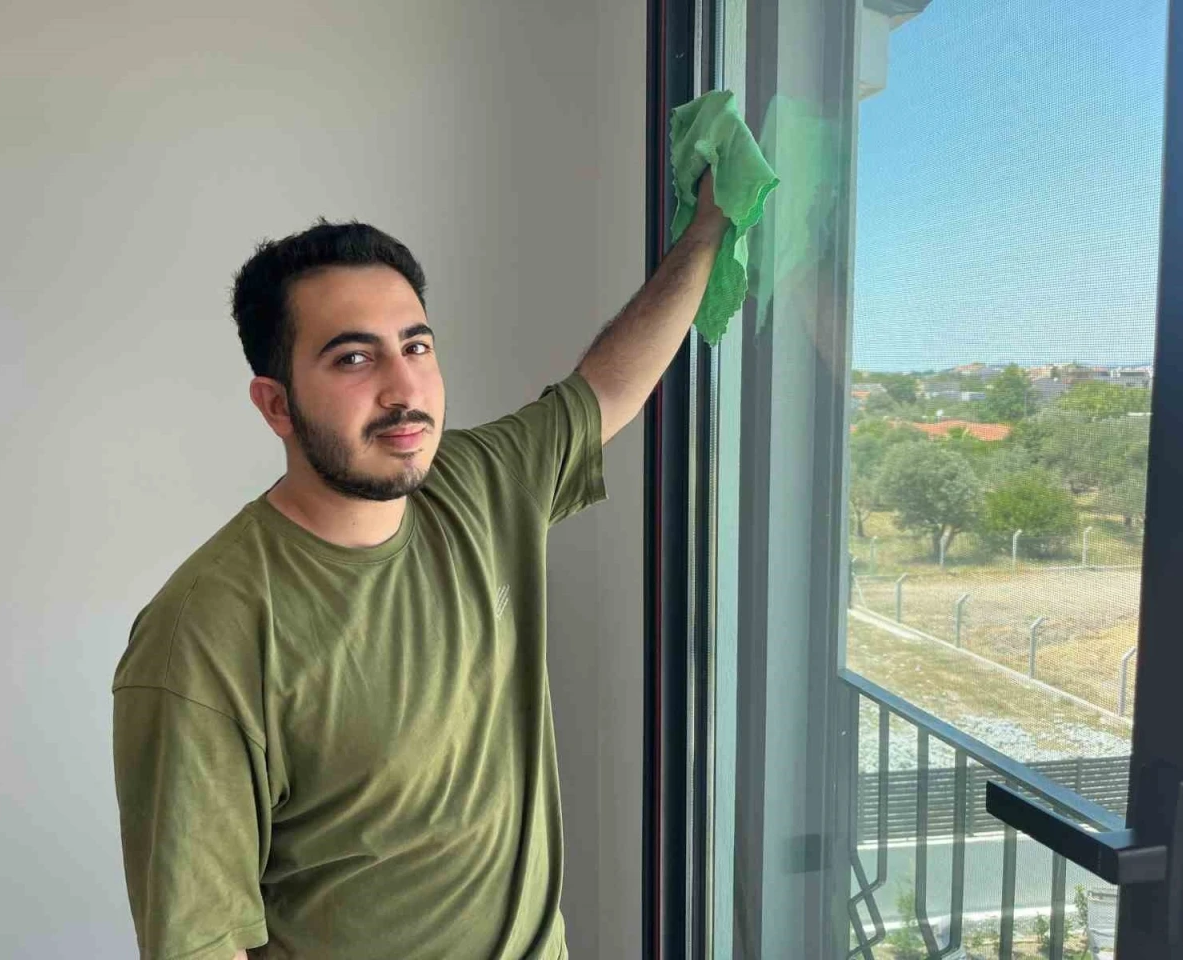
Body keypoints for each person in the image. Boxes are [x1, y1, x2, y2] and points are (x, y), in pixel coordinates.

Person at [111, 174, 726, 960]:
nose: (404, 388)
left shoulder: (476, 485)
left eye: (416, 346)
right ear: (276, 404)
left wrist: (706, 230)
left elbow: (607, 385)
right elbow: (202, 945)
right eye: (353, 358)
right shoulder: (204, 631)